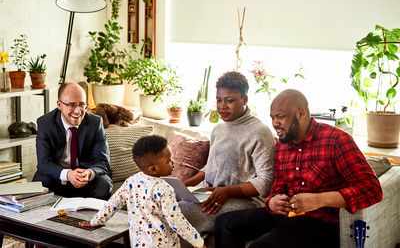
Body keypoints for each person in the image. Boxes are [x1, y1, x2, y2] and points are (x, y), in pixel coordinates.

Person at [214, 89, 383, 248]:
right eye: (272, 117)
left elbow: (372, 189)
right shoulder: (282, 146)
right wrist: (273, 201)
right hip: (287, 216)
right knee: (225, 224)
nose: (274, 123)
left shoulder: (336, 140)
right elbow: (276, 189)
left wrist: (319, 200)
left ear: (301, 114)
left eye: (280, 117)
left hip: (321, 223)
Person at [180, 71, 276, 244]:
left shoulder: (259, 132)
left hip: (244, 202)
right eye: (218, 99)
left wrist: (227, 191)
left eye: (229, 100)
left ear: (245, 99)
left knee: (177, 211)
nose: (222, 106)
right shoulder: (218, 129)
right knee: (164, 201)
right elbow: (210, 167)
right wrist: (187, 183)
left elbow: (266, 181)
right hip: (212, 195)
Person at [80, 135, 205, 248]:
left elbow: (112, 204)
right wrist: (198, 242)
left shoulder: (131, 181)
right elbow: (177, 221)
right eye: (168, 161)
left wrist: (95, 222)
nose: (173, 163)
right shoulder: (165, 189)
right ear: (153, 169)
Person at [33, 81, 112, 200]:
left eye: (81, 104)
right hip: (57, 177)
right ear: (59, 105)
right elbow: (44, 163)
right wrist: (68, 174)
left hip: (85, 178)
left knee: (104, 185)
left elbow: (102, 162)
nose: (78, 111)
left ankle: (92, 218)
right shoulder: (45, 123)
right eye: (71, 105)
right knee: (41, 183)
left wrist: (89, 173)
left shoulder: (95, 123)